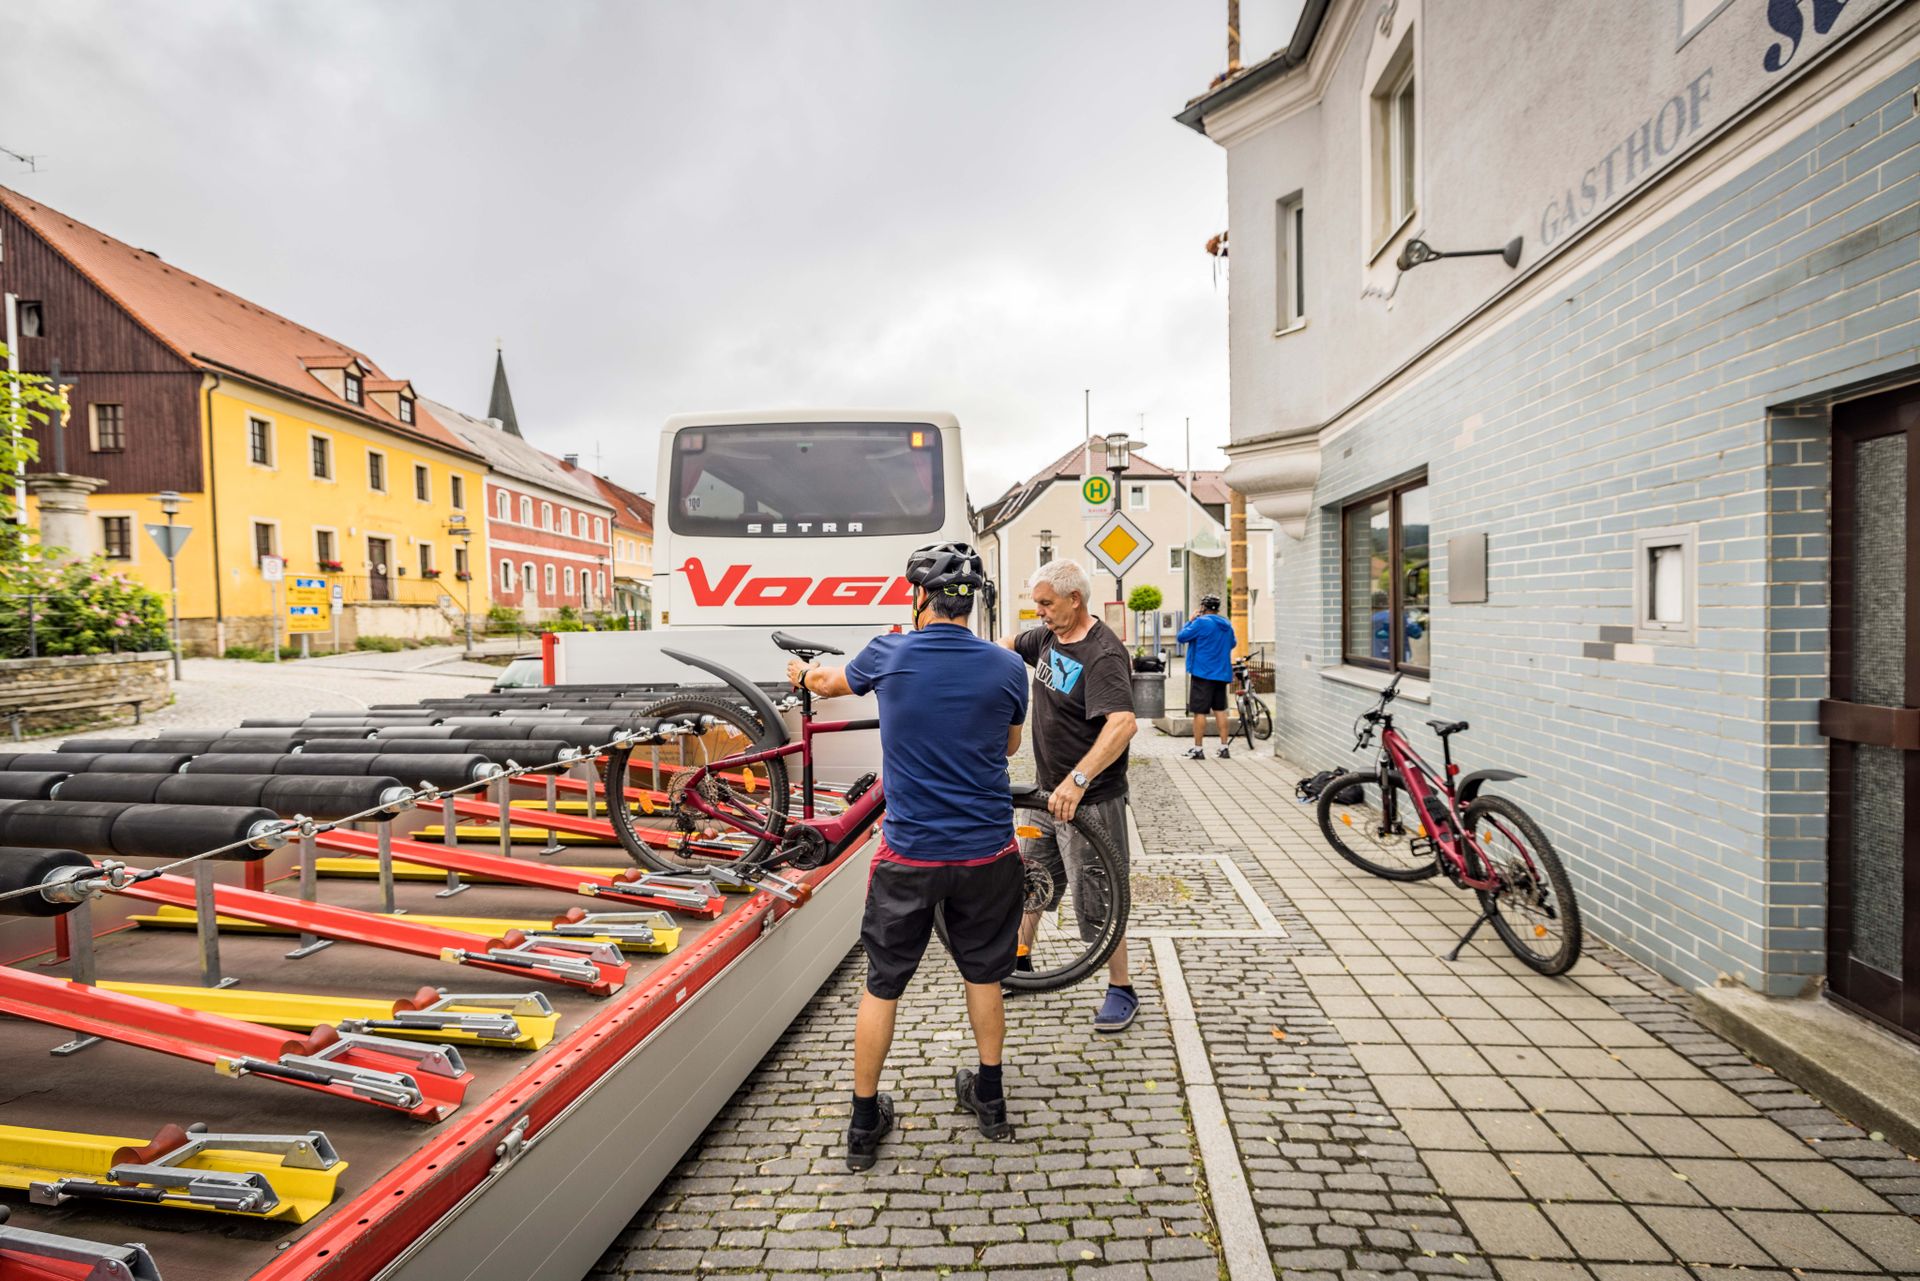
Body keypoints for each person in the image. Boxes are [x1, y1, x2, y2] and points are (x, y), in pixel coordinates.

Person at [786, 542, 1028, 1172]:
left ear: (919, 598)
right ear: (971, 604)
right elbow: (1005, 747)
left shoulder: (887, 653)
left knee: (883, 983)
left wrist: (803, 676)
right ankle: (992, 1101)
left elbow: (828, 683)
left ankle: (864, 1125)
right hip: (987, 850)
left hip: (911, 854)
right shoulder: (1006, 666)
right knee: (983, 975)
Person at [998, 559, 1140, 1032]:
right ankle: (1019, 963)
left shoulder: (1102, 654)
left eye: (1046, 604)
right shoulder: (1045, 638)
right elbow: (1004, 646)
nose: (1038, 612)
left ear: (1074, 600)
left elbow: (1122, 724)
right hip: (1046, 793)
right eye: (1036, 603)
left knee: (1099, 895)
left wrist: (1077, 781)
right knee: (1031, 877)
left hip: (1090, 798)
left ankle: (1121, 989)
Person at [1177, 593, 1237, 760]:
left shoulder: (1201, 622)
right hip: (1221, 673)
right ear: (1217, 609)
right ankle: (1224, 748)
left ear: (1203, 607)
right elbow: (1232, 643)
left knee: (1200, 712)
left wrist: (1191, 620)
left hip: (1202, 673)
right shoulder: (1227, 624)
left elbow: (1181, 637)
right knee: (1220, 710)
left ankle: (1198, 749)